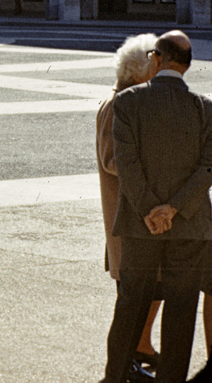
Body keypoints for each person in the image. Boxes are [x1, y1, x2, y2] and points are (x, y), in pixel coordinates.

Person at [103, 31, 212, 383]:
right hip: (190, 225)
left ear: (156, 59)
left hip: (139, 224)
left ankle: (117, 375)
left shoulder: (128, 102)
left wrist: (151, 209)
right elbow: (207, 167)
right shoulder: (204, 107)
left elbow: (127, 163)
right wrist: (174, 209)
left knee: (130, 305)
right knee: (181, 310)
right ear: (188, 65)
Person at [97, 33, 161, 380]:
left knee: (139, 298)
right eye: (153, 68)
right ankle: (122, 369)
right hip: (126, 216)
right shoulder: (118, 103)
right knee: (129, 303)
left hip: (134, 217)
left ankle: (135, 357)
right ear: (138, 72)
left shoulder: (129, 100)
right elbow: (112, 160)